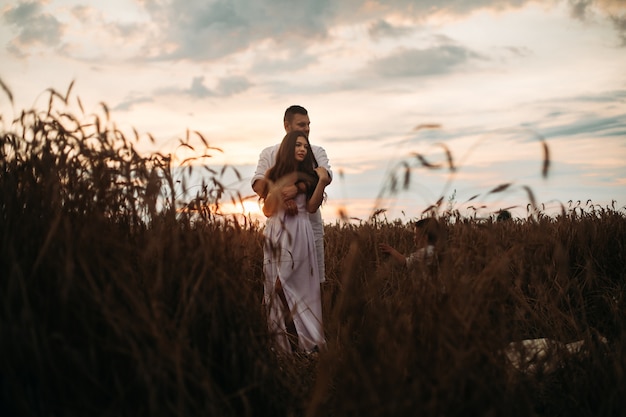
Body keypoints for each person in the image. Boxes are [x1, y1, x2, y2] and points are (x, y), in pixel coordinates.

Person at [261, 130, 331, 353]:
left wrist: (319, 180)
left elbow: (311, 207)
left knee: (289, 286)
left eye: (305, 146)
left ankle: (308, 342)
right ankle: (287, 346)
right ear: (288, 147)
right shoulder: (273, 173)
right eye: (298, 145)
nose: (302, 149)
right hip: (276, 231)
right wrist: (281, 196)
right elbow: (267, 210)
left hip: (300, 232)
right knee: (274, 289)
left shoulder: (308, 176)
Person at [251, 105, 332, 283]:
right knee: (275, 284)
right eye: (301, 124)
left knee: (313, 282)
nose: (307, 129)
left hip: (309, 229)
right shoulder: (269, 153)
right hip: (279, 229)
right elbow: (259, 184)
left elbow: (324, 176)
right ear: (287, 126)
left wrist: (298, 188)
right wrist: (280, 198)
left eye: (308, 124)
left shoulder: (317, 152)